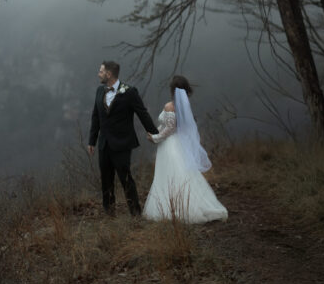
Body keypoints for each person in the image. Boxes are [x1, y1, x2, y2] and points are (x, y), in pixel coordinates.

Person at [142, 75, 228, 223]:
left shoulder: (170, 106)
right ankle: (182, 205)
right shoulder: (183, 105)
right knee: (181, 175)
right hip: (177, 144)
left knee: (169, 176)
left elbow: (169, 129)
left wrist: (154, 138)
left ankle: (174, 209)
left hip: (169, 145)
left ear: (172, 90)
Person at [87, 61, 158, 216]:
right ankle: (110, 213)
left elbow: (142, 113)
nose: (98, 74)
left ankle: (135, 213)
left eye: (101, 71)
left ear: (109, 74)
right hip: (104, 144)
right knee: (106, 180)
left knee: (126, 179)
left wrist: (154, 133)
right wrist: (92, 140)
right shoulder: (99, 91)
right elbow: (95, 117)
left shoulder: (129, 91)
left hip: (122, 143)